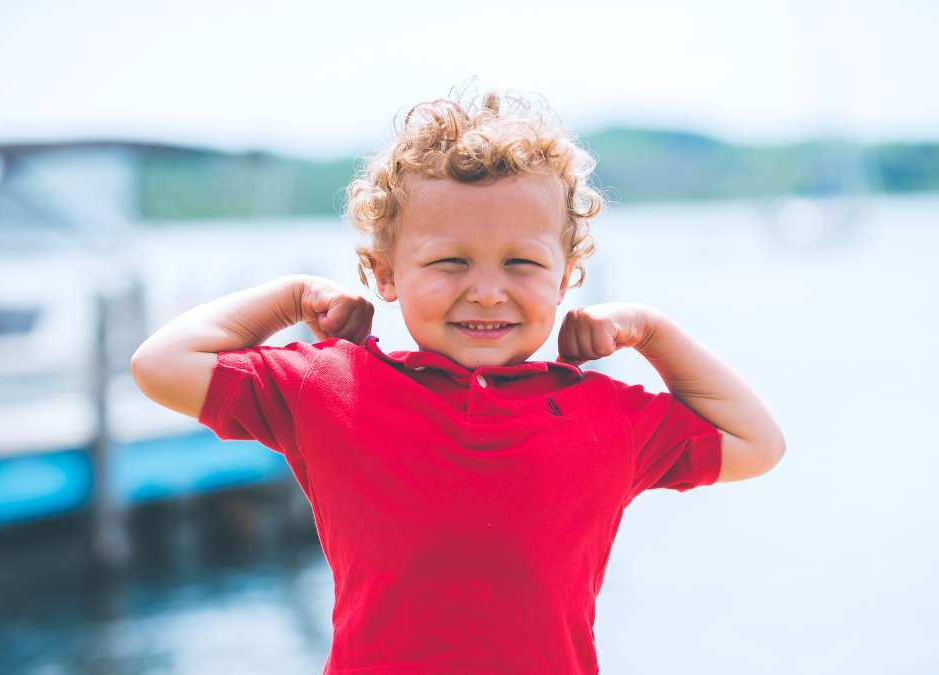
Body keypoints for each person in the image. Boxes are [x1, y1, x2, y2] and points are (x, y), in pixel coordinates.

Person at [130, 85, 786, 674]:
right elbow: (160, 365)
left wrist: (651, 330)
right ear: (385, 273)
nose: (487, 290)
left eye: (521, 263)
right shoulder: (331, 386)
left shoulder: (607, 415)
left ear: (565, 277)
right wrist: (289, 298)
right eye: (451, 261)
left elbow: (760, 444)